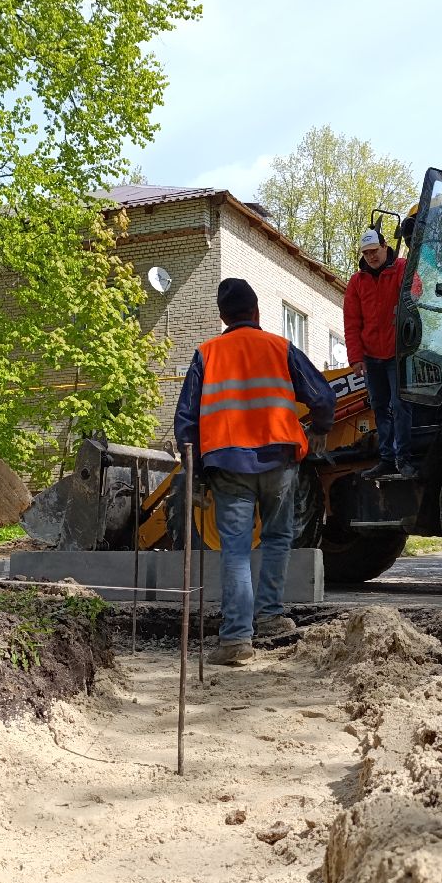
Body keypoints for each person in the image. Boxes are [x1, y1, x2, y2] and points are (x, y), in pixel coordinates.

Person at [174, 278, 336, 666]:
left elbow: (185, 421)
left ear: (222, 316)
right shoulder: (280, 347)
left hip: (228, 464)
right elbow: (323, 397)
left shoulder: (207, 354)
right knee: (278, 537)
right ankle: (269, 617)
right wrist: (317, 430)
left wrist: (193, 475)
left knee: (235, 548)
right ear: (257, 311)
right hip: (279, 459)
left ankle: (235, 640)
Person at [344, 227, 417, 479]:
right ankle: (386, 458)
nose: (371, 257)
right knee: (379, 406)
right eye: (366, 253)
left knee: (400, 404)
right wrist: (355, 358)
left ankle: (403, 458)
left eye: (374, 251)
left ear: (385, 247)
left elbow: (416, 292)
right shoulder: (357, 282)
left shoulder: (401, 269)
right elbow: (352, 322)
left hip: (397, 354)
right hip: (371, 356)